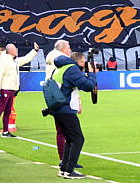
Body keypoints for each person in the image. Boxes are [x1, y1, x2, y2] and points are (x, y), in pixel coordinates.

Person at [50, 42, 97, 179]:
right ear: (80, 61)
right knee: (78, 139)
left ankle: (64, 168)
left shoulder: (60, 68)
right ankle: (69, 170)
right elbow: (88, 86)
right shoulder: (71, 69)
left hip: (57, 107)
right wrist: (93, 74)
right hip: (66, 108)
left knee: (70, 139)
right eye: (83, 63)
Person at [0, 42, 38, 138]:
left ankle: (5, 131)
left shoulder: (14, 61)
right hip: (5, 88)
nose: (16, 51)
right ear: (11, 51)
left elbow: (26, 59)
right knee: (0, 108)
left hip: (12, 89)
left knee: (7, 111)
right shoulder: (4, 61)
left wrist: (35, 50)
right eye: (15, 50)